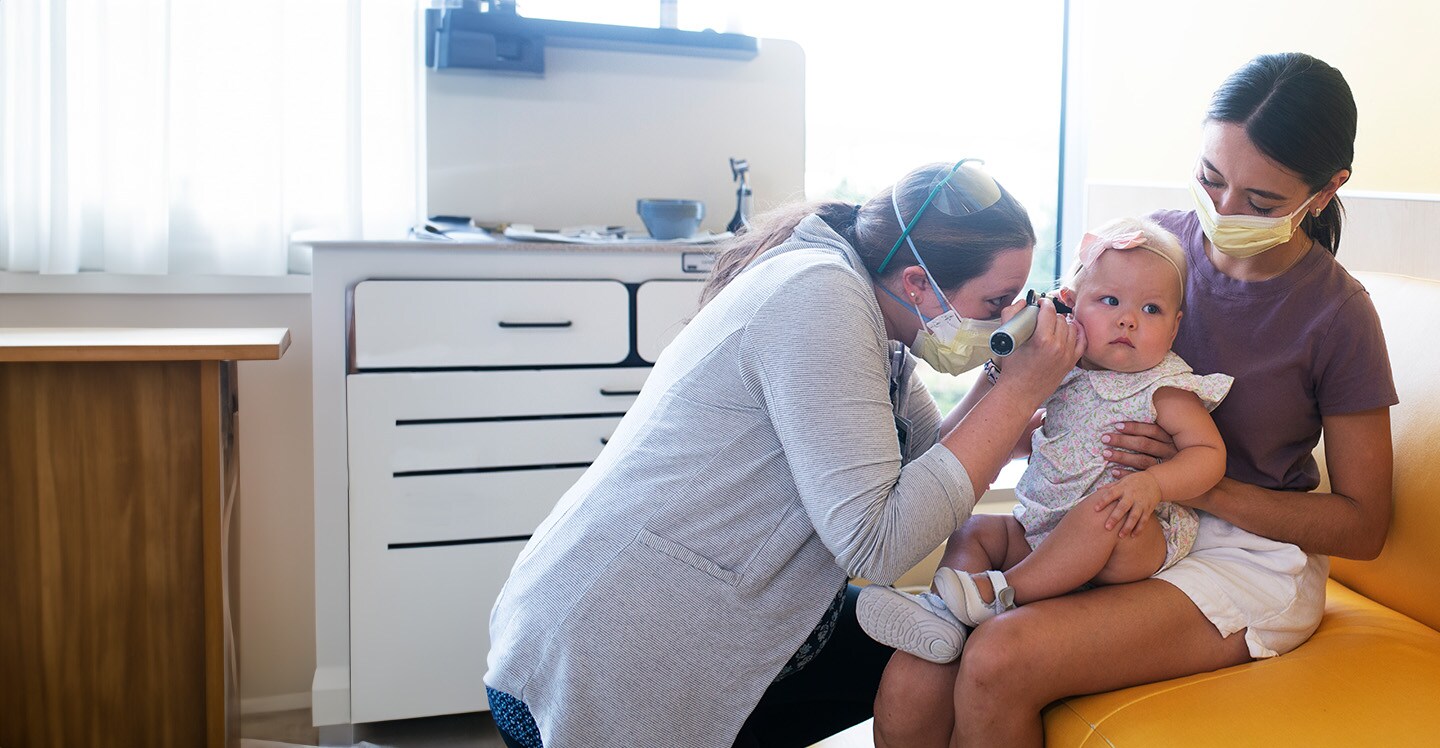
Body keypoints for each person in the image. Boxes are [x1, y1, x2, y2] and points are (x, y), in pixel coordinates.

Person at [873, 52, 1397, 748]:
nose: (1223, 212)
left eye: (1261, 202)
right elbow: (1045, 367)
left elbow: (1365, 526)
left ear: (1327, 190)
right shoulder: (1148, 250)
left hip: (1243, 553)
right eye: (1211, 180)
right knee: (919, 666)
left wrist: (1188, 483)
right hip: (1098, 513)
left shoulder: (1338, 314)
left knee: (999, 657)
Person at [483, 160, 1085, 748]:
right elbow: (880, 542)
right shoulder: (820, 297)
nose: (1008, 318)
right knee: (933, 662)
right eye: (996, 302)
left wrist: (1003, 393)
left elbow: (922, 464)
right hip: (615, 648)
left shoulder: (883, 322)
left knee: (935, 659)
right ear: (918, 283)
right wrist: (1019, 390)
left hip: (721, 617)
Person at [856, 218, 1233, 663]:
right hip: (1044, 531)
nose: (1128, 319)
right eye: (1109, 301)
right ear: (1071, 306)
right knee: (974, 530)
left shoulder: (1163, 385)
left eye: (1151, 310)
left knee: (1100, 512)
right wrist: (1014, 393)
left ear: (1174, 327)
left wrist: (1154, 486)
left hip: (1128, 540)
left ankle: (1002, 593)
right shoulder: (1060, 369)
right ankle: (943, 614)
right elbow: (996, 435)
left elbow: (1208, 455)